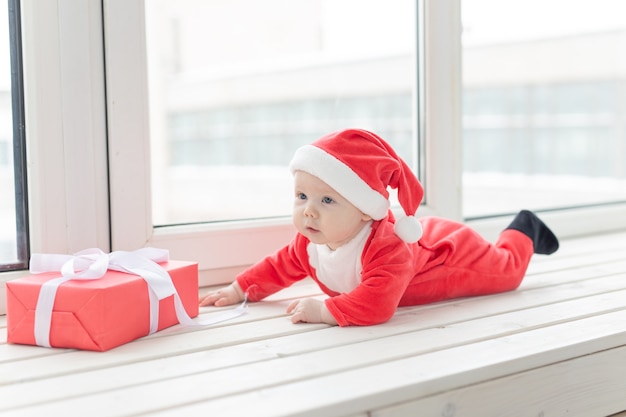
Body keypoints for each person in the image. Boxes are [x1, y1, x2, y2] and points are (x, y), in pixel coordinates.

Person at [199, 128, 559, 326]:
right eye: (302, 196)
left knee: (507, 272)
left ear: (363, 212)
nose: (309, 212)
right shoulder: (309, 242)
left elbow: (378, 305)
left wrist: (324, 311)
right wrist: (239, 289)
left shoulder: (384, 249)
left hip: (449, 253)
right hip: (423, 235)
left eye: (327, 201)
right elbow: (278, 267)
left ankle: (523, 229)